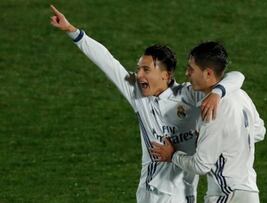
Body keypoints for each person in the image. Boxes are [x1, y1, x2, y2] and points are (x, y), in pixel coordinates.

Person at [50, 5, 246, 203]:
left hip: (186, 196)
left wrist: (217, 93)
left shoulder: (191, 94)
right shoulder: (139, 96)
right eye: (138, 69)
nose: (139, 75)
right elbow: (107, 62)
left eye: (146, 69)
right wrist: (72, 31)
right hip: (153, 194)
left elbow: (236, 76)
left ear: (166, 75)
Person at [151, 42, 266, 203]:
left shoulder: (212, 110)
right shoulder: (241, 95)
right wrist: (227, 139)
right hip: (249, 193)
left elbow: (201, 165)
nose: (187, 73)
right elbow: (259, 131)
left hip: (226, 194)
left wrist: (172, 155)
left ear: (208, 73)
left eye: (191, 69)